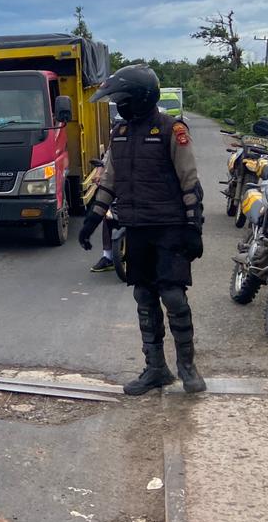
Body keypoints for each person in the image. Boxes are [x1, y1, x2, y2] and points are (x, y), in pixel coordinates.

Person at [79, 65, 206, 395]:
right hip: (136, 228)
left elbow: (190, 181)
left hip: (169, 227)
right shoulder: (119, 133)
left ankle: (188, 367)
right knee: (143, 296)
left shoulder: (171, 129)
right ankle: (155, 369)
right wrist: (92, 220)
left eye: (124, 99)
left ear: (142, 98)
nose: (119, 105)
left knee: (174, 297)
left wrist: (194, 227)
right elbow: (109, 181)